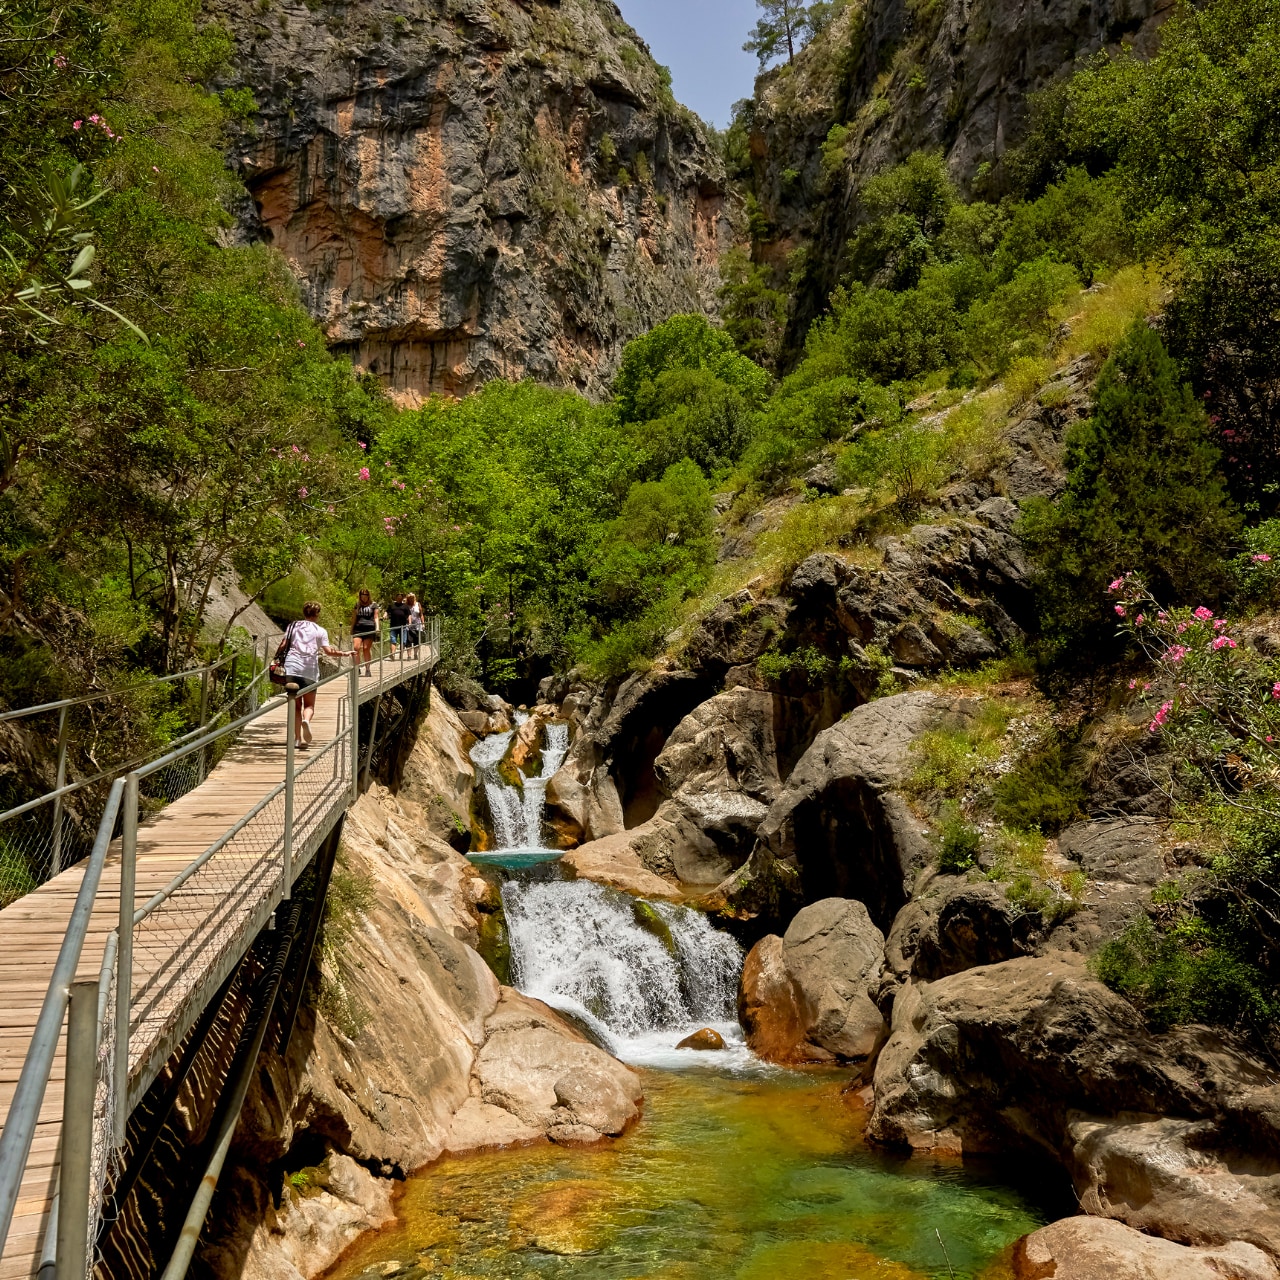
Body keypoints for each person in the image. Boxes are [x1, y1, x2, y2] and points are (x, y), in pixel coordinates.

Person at [282, 602, 352, 749]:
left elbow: (283, 645)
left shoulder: (293, 626)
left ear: (304, 612)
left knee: (295, 705)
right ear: (317, 615)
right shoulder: (320, 631)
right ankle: (306, 720)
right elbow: (328, 651)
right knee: (309, 705)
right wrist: (344, 653)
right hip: (309, 669)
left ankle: (297, 739)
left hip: (292, 667)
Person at [351, 588, 379, 676]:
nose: (364, 598)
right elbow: (354, 617)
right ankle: (357, 668)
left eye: (365, 596)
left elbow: (376, 617)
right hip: (358, 628)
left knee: (366, 648)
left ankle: (367, 669)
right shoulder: (357, 605)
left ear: (368, 596)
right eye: (362, 596)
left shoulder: (373, 605)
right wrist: (351, 628)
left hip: (369, 629)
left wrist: (377, 628)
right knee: (356, 648)